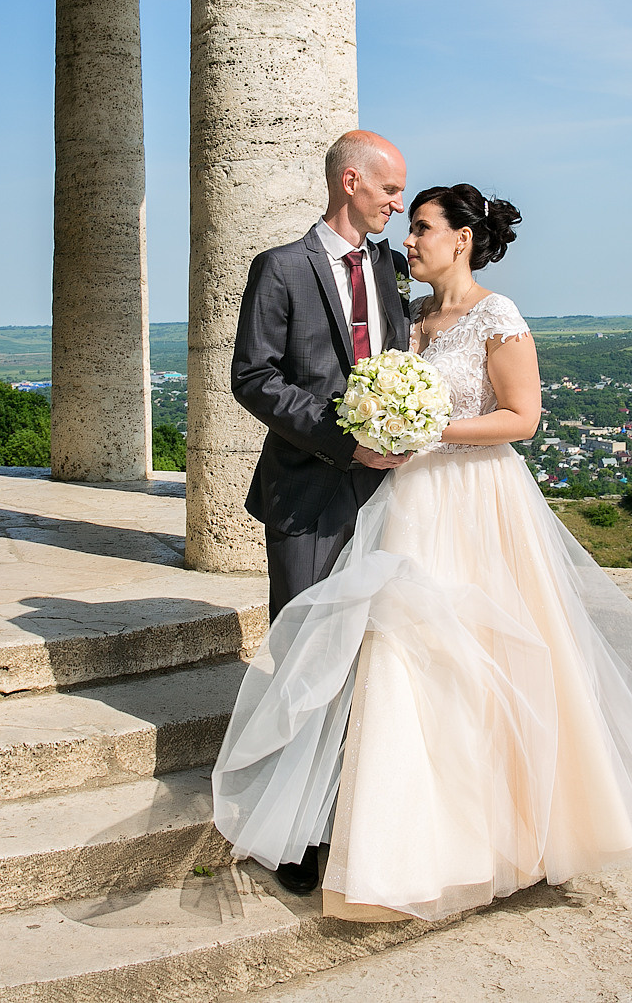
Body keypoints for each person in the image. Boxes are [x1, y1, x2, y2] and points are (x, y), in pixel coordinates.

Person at [214, 182, 632, 921]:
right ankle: (408, 847)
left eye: (422, 227)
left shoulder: (498, 315)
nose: (408, 240)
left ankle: (504, 837)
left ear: (461, 239)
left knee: (489, 661)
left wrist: (429, 430)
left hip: (478, 505)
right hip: (407, 505)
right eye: (408, 225)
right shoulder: (410, 317)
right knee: (405, 661)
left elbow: (523, 418)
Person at [228, 129, 415, 895]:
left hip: (392, 495)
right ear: (351, 181)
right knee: (305, 660)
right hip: (308, 494)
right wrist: (347, 439)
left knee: (375, 660)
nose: (398, 203)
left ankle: (355, 815)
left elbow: (405, 361)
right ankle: (293, 831)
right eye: (390, 188)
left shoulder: (392, 268)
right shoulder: (280, 268)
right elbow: (254, 377)